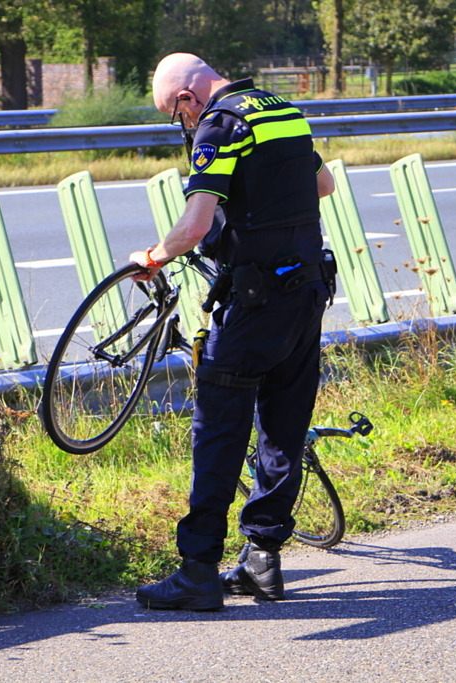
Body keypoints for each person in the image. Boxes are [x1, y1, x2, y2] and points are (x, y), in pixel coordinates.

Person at [132, 53, 336, 611]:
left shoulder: (221, 124)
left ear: (185, 99)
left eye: (176, 116)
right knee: (283, 427)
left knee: (218, 430)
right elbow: (324, 183)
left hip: (254, 302)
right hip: (309, 291)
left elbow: (195, 224)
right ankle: (262, 561)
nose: (184, 126)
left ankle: (198, 570)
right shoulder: (283, 110)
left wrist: (155, 255)